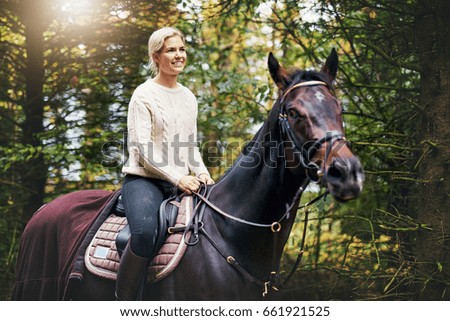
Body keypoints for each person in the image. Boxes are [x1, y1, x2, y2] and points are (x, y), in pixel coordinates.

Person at [117, 27, 214, 300]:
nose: (179, 55)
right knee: (145, 234)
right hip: (144, 181)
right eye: (171, 50)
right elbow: (142, 147)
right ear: (156, 56)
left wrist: (203, 173)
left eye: (181, 49)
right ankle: (122, 300)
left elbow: (190, 145)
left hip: (184, 182)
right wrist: (178, 177)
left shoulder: (188, 97)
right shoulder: (144, 94)